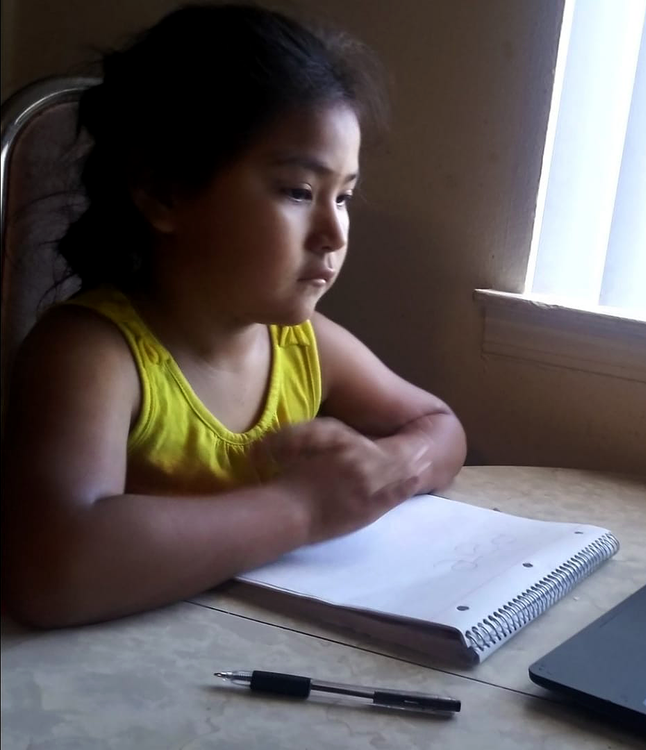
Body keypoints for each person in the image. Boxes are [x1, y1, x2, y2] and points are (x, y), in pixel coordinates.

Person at [0, 4, 467, 628]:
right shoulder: (91, 356)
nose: (333, 232)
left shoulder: (305, 345)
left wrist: (393, 467)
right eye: (298, 192)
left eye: (345, 196)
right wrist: (301, 509)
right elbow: (51, 571)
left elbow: (440, 426)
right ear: (164, 191)